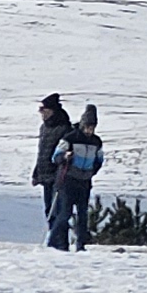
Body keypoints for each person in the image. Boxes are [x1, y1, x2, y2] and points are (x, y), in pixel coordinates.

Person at [57, 107, 105, 250]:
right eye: (88, 127)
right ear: (83, 125)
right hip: (69, 180)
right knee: (65, 213)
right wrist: (65, 156)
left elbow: (99, 160)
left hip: (85, 181)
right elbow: (56, 156)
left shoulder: (96, 142)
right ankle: (60, 243)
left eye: (92, 127)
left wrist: (91, 172)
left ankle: (81, 244)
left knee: (83, 214)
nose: (90, 130)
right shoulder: (70, 138)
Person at [32, 95, 73, 248]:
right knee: (49, 209)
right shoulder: (44, 128)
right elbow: (42, 152)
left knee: (58, 211)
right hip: (45, 174)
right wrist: (36, 173)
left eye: (44, 110)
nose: (42, 113)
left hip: (58, 175)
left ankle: (60, 243)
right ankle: (55, 242)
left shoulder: (64, 128)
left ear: (52, 111)